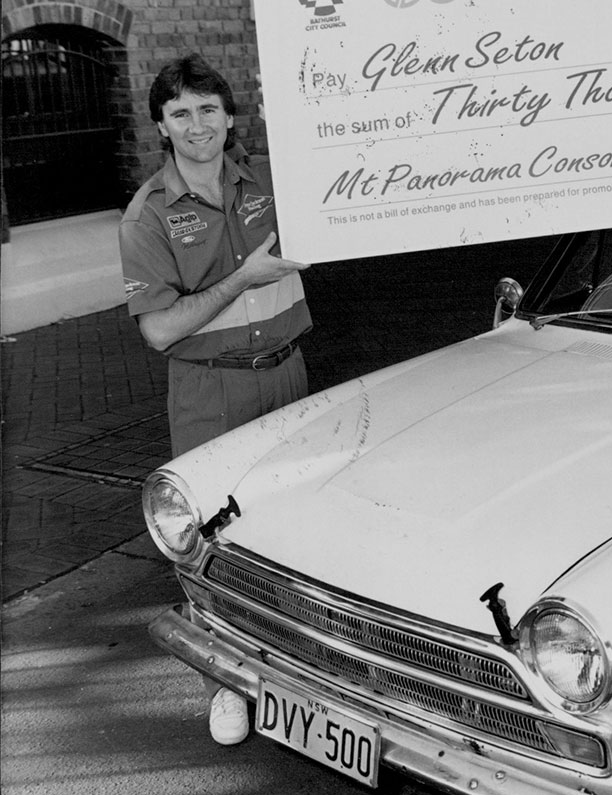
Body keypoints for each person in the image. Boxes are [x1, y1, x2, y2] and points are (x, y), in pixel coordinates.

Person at [119, 53, 312, 744]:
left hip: (288, 374)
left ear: (230, 116)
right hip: (211, 389)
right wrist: (241, 278)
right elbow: (162, 328)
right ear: (161, 128)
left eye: (208, 109)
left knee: (293, 528)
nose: (196, 125)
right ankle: (223, 684)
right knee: (211, 541)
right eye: (180, 114)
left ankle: (301, 676)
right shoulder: (148, 216)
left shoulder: (269, 177)